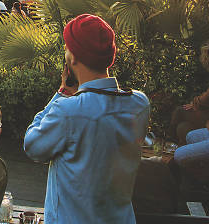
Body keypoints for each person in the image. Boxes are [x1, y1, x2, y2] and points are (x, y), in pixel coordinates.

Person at [24, 14, 150, 224]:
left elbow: (32, 145)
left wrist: (62, 93)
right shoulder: (140, 104)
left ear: (72, 57)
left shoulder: (69, 111)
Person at [169, 39, 209, 144]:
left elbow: (204, 100)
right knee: (183, 127)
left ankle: (169, 143)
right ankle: (175, 146)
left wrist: (195, 103)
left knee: (179, 111)